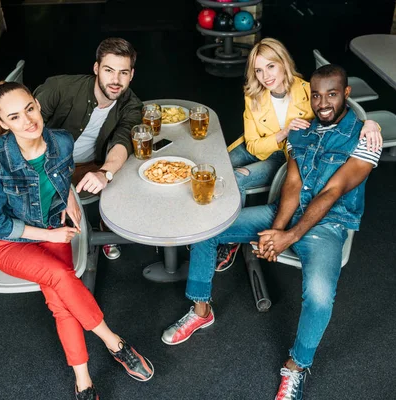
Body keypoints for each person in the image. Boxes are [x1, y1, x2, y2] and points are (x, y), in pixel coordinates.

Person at [161, 64, 381, 400]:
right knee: (206, 228)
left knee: (320, 296)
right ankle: (201, 311)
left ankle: (296, 366)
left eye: (332, 95)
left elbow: (332, 192)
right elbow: (292, 183)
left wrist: (288, 237)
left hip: (328, 225)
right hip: (284, 212)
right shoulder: (302, 131)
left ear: (346, 94)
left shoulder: (366, 138)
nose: (323, 103)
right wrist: (275, 231)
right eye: (317, 95)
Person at [0, 82, 153, 400]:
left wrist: (68, 196)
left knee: (62, 305)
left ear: (37, 104)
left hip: (53, 227)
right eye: (15, 117)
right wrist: (49, 235)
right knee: (62, 277)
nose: (28, 121)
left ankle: (83, 383)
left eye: (30, 109)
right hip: (11, 242)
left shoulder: (61, 141)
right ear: (3, 123)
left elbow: (63, 175)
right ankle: (115, 342)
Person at [215, 38, 383, 272]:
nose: (266, 76)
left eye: (271, 66)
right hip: (263, 144)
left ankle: (230, 241)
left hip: (287, 157)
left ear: (283, 63)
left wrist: (371, 122)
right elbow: (253, 145)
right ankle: (209, 225)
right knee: (215, 170)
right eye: (259, 70)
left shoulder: (309, 91)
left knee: (237, 177)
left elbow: (340, 108)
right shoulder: (253, 96)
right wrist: (283, 132)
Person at [34, 37, 142, 260]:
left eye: (123, 73)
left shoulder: (132, 105)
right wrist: (62, 186)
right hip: (44, 164)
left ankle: (105, 226)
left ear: (131, 74)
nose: (115, 80)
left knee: (130, 176)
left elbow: (123, 142)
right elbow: (25, 137)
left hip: (90, 164)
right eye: (109, 70)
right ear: (96, 68)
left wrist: (105, 173)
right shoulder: (58, 88)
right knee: (49, 231)